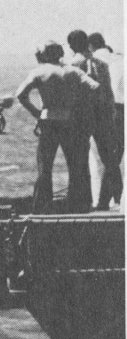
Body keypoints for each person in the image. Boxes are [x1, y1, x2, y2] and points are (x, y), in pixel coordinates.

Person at [15, 41, 100, 214]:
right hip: (69, 121)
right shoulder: (73, 71)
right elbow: (94, 87)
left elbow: (21, 95)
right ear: (60, 53)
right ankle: (76, 206)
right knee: (74, 165)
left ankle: (42, 207)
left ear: (45, 54)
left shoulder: (39, 72)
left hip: (48, 121)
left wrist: (36, 113)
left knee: (44, 167)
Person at [67, 29, 120, 209]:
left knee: (79, 159)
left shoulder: (73, 64)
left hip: (82, 115)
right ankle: (112, 199)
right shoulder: (101, 63)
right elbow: (109, 92)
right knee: (109, 159)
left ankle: (82, 202)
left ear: (72, 46)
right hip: (103, 114)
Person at [88, 32, 124, 206]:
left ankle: (102, 201)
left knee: (98, 161)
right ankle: (112, 199)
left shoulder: (91, 61)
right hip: (122, 110)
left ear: (90, 46)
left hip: (101, 112)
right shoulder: (121, 59)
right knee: (116, 158)